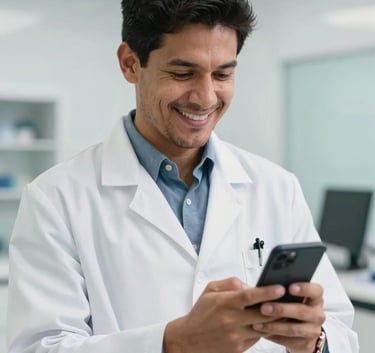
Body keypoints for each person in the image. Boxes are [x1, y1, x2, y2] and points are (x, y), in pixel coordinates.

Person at [7, 1, 358, 353]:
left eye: (222, 74)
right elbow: (40, 347)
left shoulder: (278, 188)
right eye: (182, 73)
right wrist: (173, 343)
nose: (206, 97)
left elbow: (340, 328)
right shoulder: (55, 199)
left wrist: (316, 341)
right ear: (130, 63)